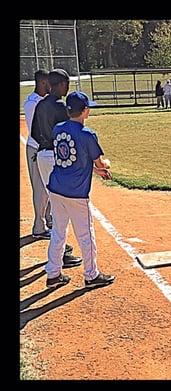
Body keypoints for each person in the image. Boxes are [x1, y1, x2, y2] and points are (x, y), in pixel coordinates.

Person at [45, 91, 115, 289]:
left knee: (58, 232)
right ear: (85, 111)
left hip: (56, 187)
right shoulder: (87, 134)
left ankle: (53, 274)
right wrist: (104, 166)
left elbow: (72, 161)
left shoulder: (58, 129)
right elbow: (100, 162)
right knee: (85, 234)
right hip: (76, 193)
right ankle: (91, 275)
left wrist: (94, 170)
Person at [31, 68, 82, 268]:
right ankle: (60, 253)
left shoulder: (40, 105)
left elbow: (34, 132)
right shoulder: (60, 106)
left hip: (42, 155)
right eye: (65, 84)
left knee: (55, 204)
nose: (67, 88)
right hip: (55, 157)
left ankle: (61, 251)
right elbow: (66, 136)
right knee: (62, 208)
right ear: (59, 85)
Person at [23, 69, 53, 239]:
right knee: (40, 189)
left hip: (44, 148)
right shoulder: (32, 103)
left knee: (48, 186)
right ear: (42, 83)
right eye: (49, 83)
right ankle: (39, 227)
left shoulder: (44, 101)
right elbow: (36, 130)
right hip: (36, 148)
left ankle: (48, 218)